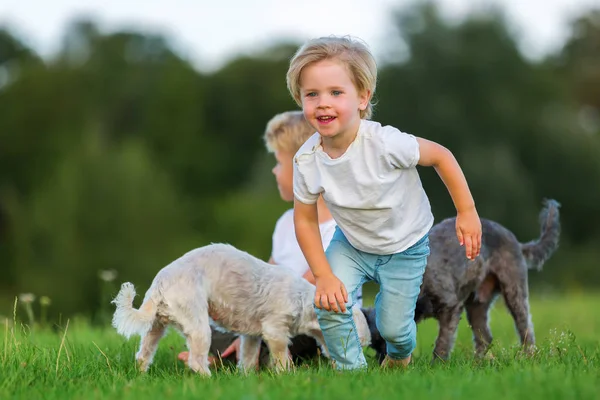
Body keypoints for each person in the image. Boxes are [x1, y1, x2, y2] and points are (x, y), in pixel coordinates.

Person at [287, 35, 482, 371]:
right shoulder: (307, 160)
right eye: (312, 94)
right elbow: (304, 220)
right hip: (351, 244)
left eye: (336, 92)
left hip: (404, 245)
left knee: (394, 329)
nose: (323, 103)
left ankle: (399, 353)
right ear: (300, 98)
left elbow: (441, 156)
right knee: (330, 304)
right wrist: (322, 275)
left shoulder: (385, 143)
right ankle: (351, 371)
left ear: (362, 97)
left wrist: (467, 212)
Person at [178, 110, 363, 367]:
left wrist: (257, 322)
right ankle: (228, 351)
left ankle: (233, 358)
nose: (275, 171)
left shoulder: (339, 227)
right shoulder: (286, 223)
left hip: (313, 317)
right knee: (219, 326)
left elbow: (309, 284)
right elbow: (265, 274)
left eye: (279, 162)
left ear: (304, 166)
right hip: (274, 314)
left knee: (290, 335)